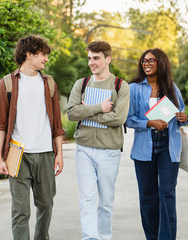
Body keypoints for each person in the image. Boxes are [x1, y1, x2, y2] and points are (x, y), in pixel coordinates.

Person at [0, 35, 65, 240]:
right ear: (29, 54)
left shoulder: (49, 83)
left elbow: (57, 125)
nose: (46, 59)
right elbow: (0, 126)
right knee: (20, 210)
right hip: (17, 155)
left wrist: (59, 153)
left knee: (46, 204)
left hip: (45, 154)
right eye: (42, 55)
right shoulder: (5, 84)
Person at [67, 40, 129, 240]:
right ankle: (90, 238)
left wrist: (86, 112)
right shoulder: (81, 84)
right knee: (87, 198)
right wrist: (98, 108)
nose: (91, 62)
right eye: (89, 58)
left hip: (109, 151)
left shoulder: (121, 86)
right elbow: (71, 113)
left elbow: (119, 118)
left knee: (105, 202)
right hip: (83, 148)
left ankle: (104, 236)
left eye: (96, 58)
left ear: (108, 59)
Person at [126, 48, 188, 240]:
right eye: (144, 61)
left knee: (167, 194)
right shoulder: (134, 88)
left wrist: (183, 117)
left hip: (168, 146)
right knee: (147, 197)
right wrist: (149, 122)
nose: (147, 64)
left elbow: (182, 114)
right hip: (144, 146)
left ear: (161, 63)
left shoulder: (171, 87)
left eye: (151, 61)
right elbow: (128, 119)